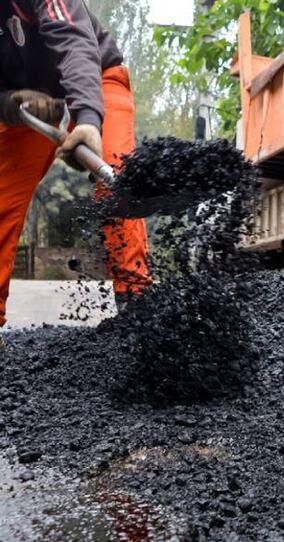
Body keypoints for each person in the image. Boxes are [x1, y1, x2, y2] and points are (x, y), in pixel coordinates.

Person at [0, 0, 151, 348]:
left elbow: (73, 39)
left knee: (116, 179)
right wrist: (10, 103)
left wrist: (87, 119)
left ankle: (139, 308)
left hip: (96, 74)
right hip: (29, 104)